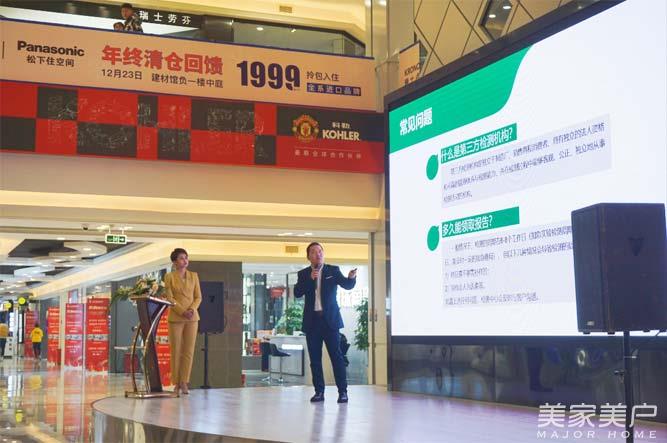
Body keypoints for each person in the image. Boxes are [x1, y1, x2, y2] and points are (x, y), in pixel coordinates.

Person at [294, 242, 356, 403]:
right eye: (314, 252)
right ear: (309, 256)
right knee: (315, 360)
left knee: (337, 357)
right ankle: (319, 392)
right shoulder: (303, 274)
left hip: (330, 322)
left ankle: (343, 392)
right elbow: (297, 292)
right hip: (312, 322)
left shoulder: (333, 270)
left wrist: (351, 278)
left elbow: (347, 285)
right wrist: (310, 279)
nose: (318, 254)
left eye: (320, 251)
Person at [164, 248, 201, 395]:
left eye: (186, 257)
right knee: (176, 351)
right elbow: (170, 298)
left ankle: (184, 382)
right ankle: (176, 383)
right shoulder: (169, 277)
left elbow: (198, 297)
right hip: (176, 317)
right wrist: (182, 311)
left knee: (188, 351)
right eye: (181, 258)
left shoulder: (194, 276)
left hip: (192, 317)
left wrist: (191, 309)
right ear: (174, 262)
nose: (185, 260)